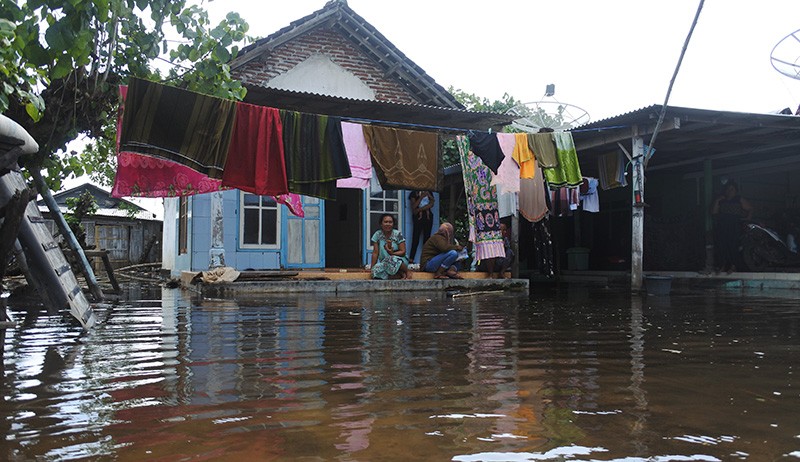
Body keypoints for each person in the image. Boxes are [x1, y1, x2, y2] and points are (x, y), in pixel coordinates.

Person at [712, 180, 753, 273]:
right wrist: (717, 200)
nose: (729, 191)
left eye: (732, 189)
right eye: (728, 189)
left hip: (735, 226)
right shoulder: (721, 200)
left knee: (733, 245)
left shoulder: (739, 199)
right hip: (722, 225)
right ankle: (722, 265)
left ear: (735, 191)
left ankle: (733, 266)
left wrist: (747, 220)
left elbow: (750, 208)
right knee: (722, 246)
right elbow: (714, 212)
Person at [370, 213, 411, 280]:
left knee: (391, 259)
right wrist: (372, 268)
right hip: (385, 263)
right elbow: (375, 253)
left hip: (399, 261)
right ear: (381, 224)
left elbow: (403, 251)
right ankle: (398, 275)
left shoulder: (398, 234)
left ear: (393, 224)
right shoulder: (377, 235)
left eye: (390, 222)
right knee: (375, 271)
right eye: (385, 222)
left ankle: (407, 271)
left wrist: (392, 253)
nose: (388, 224)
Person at [408, 191, 434, 263]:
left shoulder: (429, 192)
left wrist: (419, 209)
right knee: (415, 238)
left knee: (427, 238)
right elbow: (414, 207)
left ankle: (426, 259)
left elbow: (432, 204)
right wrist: (421, 197)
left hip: (428, 218)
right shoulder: (414, 193)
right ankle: (411, 259)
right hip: (418, 218)